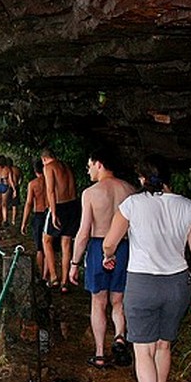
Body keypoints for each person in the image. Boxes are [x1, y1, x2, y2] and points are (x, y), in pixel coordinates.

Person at [101, 156, 191, 382]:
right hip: (177, 285)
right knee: (163, 347)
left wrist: (107, 257)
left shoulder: (132, 205)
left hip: (143, 284)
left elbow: (111, 242)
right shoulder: (188, 207)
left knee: (143, 351)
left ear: (141, 179)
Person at [68, 149, 135, 369]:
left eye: (89, 166)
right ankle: (119, 336)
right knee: (119, 300)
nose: (88, 171)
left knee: (98, 302)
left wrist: (74, 263)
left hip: (99, 246)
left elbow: (84, 232)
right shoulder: (130, 190)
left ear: (99, 164)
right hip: (124, 247)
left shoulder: (91, 193)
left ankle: (99, 353)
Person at [41, 148, 79, 290]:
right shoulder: (66, 166)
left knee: (46, 240)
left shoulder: (48, 167)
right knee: (66, 244)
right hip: (73, 205)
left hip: (59, 205)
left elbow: (50, 190)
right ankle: (65, 282)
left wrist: (54, 213)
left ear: (44, 159)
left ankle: (54, 277)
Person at [20, 159, 49, 280]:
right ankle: (47, 277)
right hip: (50, 214)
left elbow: (28, 204)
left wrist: (24, 223)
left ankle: (41, 276)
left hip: (38, 215)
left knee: (39, 249)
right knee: (49, 247)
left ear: (35, 170)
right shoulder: (51, 182)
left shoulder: (33, 184)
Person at [8, 157, 23, 227]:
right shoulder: (17, 169)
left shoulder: (7, 170)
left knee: (5, 204)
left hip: (9, 187)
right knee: (15, 204)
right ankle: (13, 220)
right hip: (16, 186)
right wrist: (18, 184)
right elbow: (21, 178)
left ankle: (5, 220)